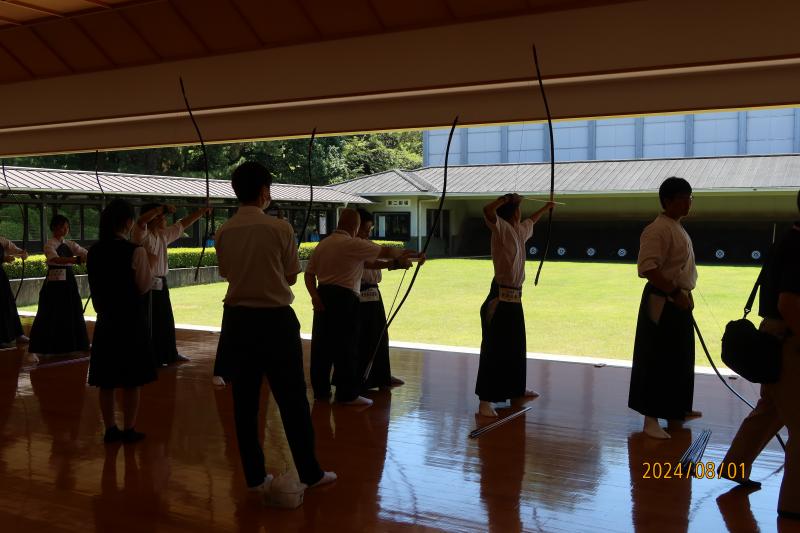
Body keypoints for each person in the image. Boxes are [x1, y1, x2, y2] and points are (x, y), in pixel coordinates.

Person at [215, 161, 335, 496]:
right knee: (293, 399)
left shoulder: (223, 231)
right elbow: (290, 276)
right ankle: (310, 473)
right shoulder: (280, 228)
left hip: (238, 321)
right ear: (265, 191)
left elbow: (227, 273)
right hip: (275, 321)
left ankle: (254, 478)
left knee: (245, 402)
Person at [718, 189, 800, 520]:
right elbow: (790, 303)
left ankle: (735, 467)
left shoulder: (789, 239)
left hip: (775, 339)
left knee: (770, 411)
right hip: (790, 342)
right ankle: (794, 505)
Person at [305, 208, 421, 407]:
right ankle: (347, 394)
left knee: (322, 347)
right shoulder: (351, 243)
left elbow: (309, 274)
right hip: (344, 298)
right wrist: (411, 254)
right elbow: (383, 252)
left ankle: (321, 392)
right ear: (355, 226)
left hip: (323, 296)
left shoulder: (323, 244)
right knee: (347, 347)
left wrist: (314, 296)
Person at [628, 177, 700, 439]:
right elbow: (648, 268)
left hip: (678, 298)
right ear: (667, 201)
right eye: (683, 197)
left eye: (690, 197)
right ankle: (651, 419)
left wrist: (683, 293)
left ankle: (675, 408)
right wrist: (673, 292)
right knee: (657, 357)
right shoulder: (657, 229)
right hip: (663, 300)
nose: (688, 202)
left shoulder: (676, 227)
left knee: (678, 358)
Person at [476, 194, 554, 417]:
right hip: (499, 298)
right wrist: (505, 199)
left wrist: (545, 208)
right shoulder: (501, 229)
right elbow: (487, 211)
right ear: (513, 213)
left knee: (516, 347)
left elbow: (532, 221)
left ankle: (515, 389)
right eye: (519, 209)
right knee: (494, 349)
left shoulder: (519, 231)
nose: (522, 214)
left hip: (515, 299)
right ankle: (485, 401)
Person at [87, 199, 156, 444]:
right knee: (132, 379)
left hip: (106, 321)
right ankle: (129, 428)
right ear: (127, 223)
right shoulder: (135, 250)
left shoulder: (94, 251)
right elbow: (145, 285)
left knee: (106, 381)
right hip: (131, 322)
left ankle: (110, 429)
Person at [132, 203, 208, 365]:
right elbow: (140, 221)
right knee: (149, 320)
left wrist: (201, 211)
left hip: (161, 282)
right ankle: (149, 356)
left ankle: (168, 353)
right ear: (153, 218)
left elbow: (182, 224)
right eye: (161, 217)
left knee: (165, 319)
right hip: (147, 284)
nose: (164, 219)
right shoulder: (142, 235)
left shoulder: (162, 235)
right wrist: (160, 209)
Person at [355, 208, 411, 390]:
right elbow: (369, 263)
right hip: (358, 293)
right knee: (362, 336)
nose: (367, 233)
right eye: (364, 229)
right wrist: (396, 262)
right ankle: (361, 378)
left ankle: (382, 375)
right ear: (355, 227)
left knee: (379, 334)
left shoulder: (367, 243)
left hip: (373, 292)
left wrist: (411, 257)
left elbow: (381, 259)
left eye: (369, 229)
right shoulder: (353, 245)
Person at [28, 214, 89, 357]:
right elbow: (54, 259)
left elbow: (83, 252)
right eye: (62, 226)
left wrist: (91, 255)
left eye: (67, 227)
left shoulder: (69, 244)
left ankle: (74, 345)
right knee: (52, 312)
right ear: (54, 227)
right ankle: (48, 346)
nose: (65, 229)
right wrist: (75, 260)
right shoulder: (49, 244)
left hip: (68, 281)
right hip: (54, 283)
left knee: (71, 311)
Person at [0, 235, 28, 349]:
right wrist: (3, 259)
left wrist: (21, 253)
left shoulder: (1, 240)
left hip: (0, 275)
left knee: (9, 303)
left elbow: (11, 247)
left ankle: (18, 334)